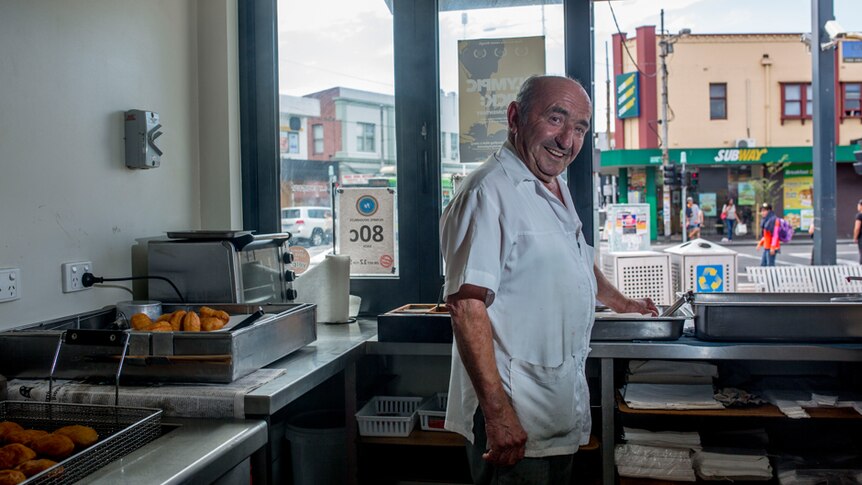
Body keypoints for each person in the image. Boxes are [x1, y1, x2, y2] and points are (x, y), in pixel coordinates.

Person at [439, 75, 658, 485]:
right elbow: (466, 306)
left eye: (579, 128)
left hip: (555, 406)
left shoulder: (554, 184)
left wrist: (621, 303)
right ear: (514, 117)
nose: (567, 140)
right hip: (513, 417)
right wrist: (499, 415)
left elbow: (576, 258)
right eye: (556, 119)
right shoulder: (486, 192)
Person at [854, 199, 862, 264]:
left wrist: (855, 238)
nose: (858, 206)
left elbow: (857, 228)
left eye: (859, 205)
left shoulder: (859, 216)